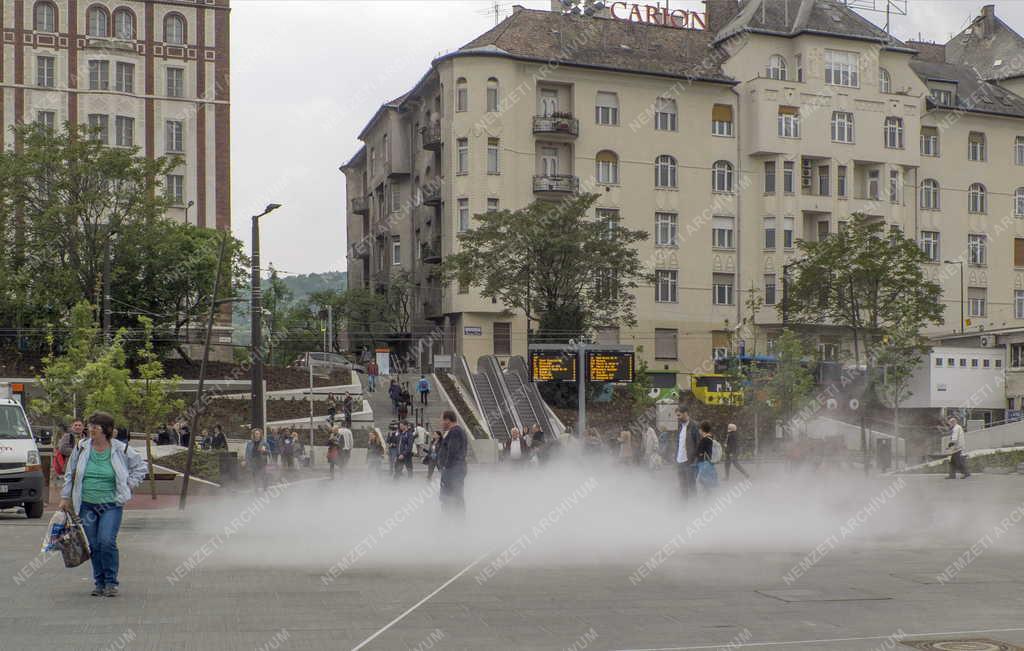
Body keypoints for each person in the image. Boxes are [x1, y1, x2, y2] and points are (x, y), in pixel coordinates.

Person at [59, 411, 147, 597]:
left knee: (106, 541)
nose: (91, 429)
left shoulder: (120, 448)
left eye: (95, 426)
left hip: (111, 504)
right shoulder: (81, 447)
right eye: (90, 426)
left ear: (106, 429)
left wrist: (129, 484)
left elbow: (141, 466)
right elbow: (70, 473)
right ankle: (99, 582)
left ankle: (111, 581)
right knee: (93, 544)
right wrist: (65, 497)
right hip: (87, 504)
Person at [437, 410, 467, 513]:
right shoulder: (455, 432)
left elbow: (452, 451)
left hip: (453, 471)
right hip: (453, 470)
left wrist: (445, 467)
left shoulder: (455, 432)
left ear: (447, 420)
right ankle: (452, 520)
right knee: (451, 497)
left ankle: (454, 521)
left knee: (452, 497)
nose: (441, 423)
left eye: (442, 420)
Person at [675, 407, 701, 500]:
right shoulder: (680, 426)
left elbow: (698, 444)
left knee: (691, 485)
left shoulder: (695, 425)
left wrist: (693, 459)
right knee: (682, 486)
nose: (677, 417)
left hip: (690, 462)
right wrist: (676, 457)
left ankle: (694, 507)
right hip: (680, 461)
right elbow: (679, 443)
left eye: (679, 415)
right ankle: (684, 507)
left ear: (685, 413)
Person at [694, 421, 719, 494]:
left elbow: (700, 453)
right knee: (706, 480)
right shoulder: (710, 438)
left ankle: (707, 496)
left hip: (703, 462)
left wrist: (696, 453)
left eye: (699, 429)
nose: (699, 431)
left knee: (701, 480)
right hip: (709, 462)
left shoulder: (704, 440)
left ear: (702, 430)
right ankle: (708, 494)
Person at [244, 428, 270, 493]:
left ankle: (265, 489)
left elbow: (269, 452)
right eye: (256, 434)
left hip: (262, 462)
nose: (257, 435)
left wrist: (264, 451)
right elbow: (247, 453)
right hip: (253, 462)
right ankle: (256, 490)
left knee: (263, 476)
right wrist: (245, 461)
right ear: (253, 434)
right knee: (255, 476)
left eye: (258, 433)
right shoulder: (249, 443)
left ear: (260, 434)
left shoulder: (264, 443)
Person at [946, 415, 971, 479]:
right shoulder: (958, 427)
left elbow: (954, 439)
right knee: (952, 462)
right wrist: (950, 446)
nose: (949, 425)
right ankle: (952, 475)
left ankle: (966, 473)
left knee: (958, 462)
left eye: (949, 423)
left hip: (957, 448)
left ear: (953, 422)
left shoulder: (956, 428)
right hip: (957, 447)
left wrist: (949, 446)